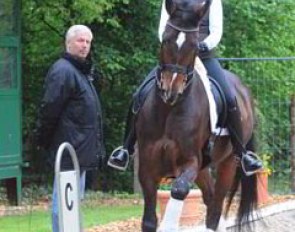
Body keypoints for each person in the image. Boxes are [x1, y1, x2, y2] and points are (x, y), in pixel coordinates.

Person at [108, 0, 262, 175]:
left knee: (229, 97)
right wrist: (172, 43)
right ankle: (126, 149)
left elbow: (216, 31)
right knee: (139, 94)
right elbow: (162, 28)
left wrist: (201, 45)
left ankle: (242, 154)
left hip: (202, 54)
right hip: (174, 56)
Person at [34, 25, 105, 232]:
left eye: (88, 42)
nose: (85, 46)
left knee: (71, 204)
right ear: (68, 43)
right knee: (63, 206)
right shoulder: (63, 70)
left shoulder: (80, 71)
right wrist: (41, 140)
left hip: (79, 151)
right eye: (80, 41)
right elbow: (49, 109)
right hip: (68, 150)